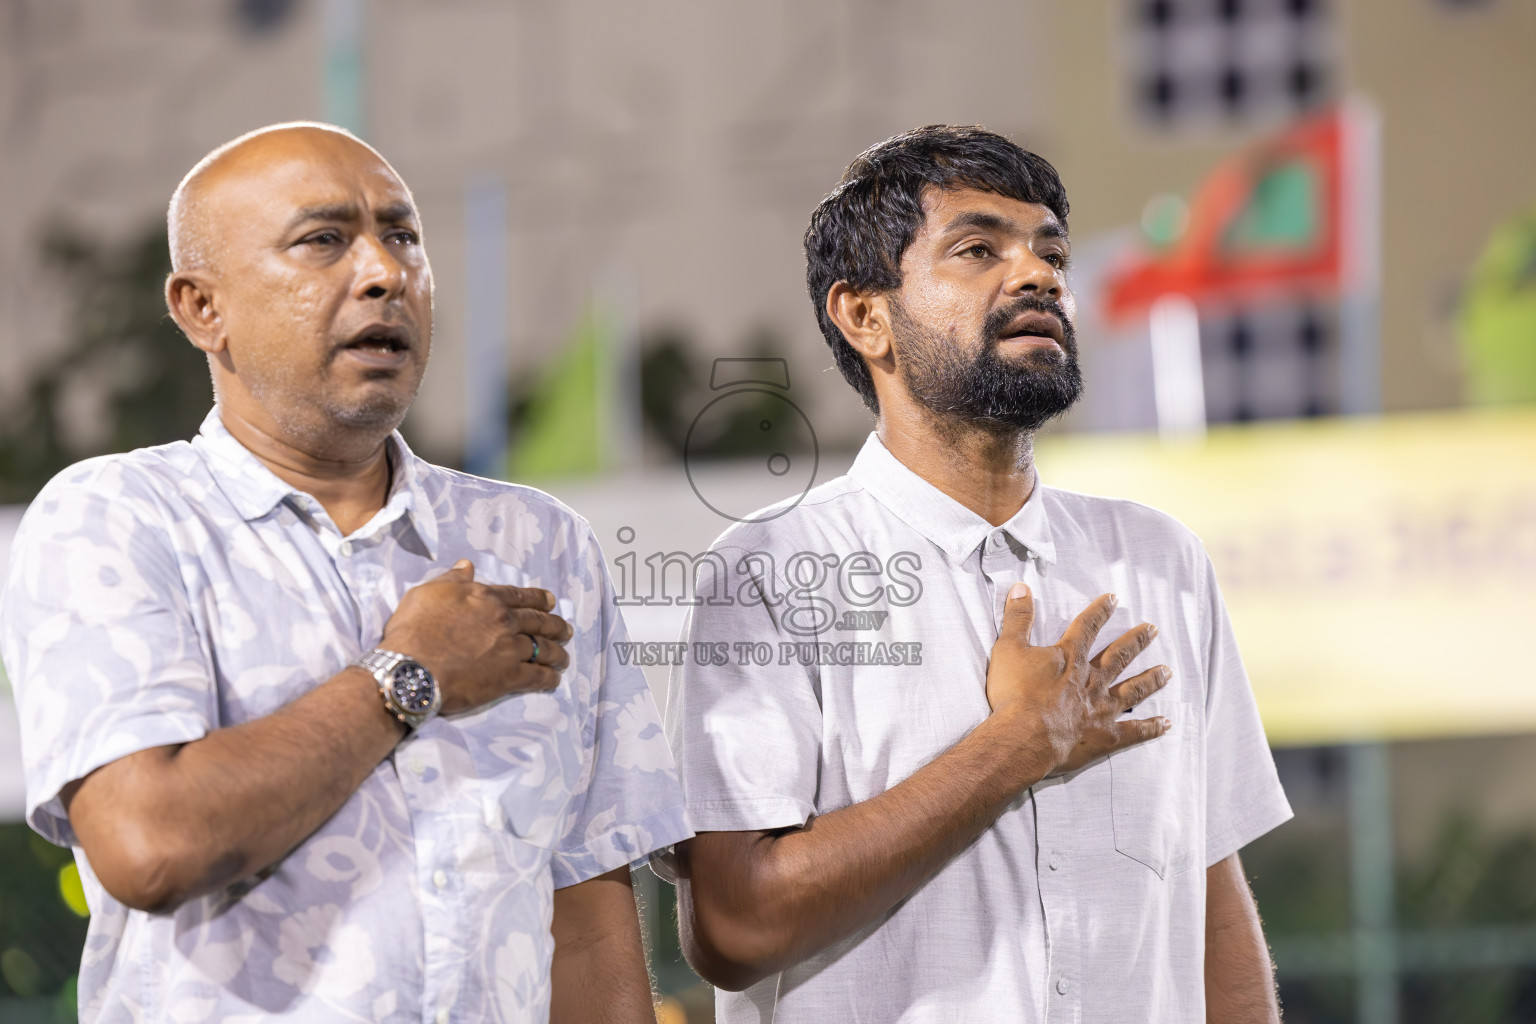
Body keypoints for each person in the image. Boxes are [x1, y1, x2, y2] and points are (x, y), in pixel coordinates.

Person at [0, 123, 689, 1024]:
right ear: (202, 307)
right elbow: (147, 845)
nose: (384, 273)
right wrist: (406, 678)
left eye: (402, 236)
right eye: (323, 240)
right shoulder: (118, 521)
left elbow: (588, 917)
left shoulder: (539, 542)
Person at [662, 125, 1292, 1023]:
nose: (1036, 275)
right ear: (864, 315)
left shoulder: (1159, 563)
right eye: (977, 248)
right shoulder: (772, 573)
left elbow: (1212, 905)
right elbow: (732, 926)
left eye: (1050, 251)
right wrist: (1016, 745)